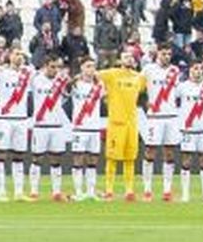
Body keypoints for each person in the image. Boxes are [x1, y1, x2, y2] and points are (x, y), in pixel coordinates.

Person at [97, 51, 146, 201]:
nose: (129, 59)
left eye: (131, 57)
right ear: (120, 60)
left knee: (130, 157)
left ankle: (129, 190)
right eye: (126, 57)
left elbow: (144, 90)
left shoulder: (139, 77)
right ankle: (109, 189)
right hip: (116, 122)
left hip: (132, 122)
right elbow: (94, 75)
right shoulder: (112, 74)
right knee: (112, 157)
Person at [0, 47, 33, 202]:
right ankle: (1, 192)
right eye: (16, 53)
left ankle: (19, 192)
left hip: (21, 119)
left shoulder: (29, 72)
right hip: (4, 119)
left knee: (19, 156)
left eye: (21, 54)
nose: (19, 56)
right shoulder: (1, 72)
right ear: (9, 56)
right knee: (0, 155)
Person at [140, 45, 183, 201]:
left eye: (169, 54)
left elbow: (178, 93)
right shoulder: (148, 69)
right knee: (150, 151)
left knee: (169, 153)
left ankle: (167, 190)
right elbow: (139, 88)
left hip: (171, 116)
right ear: (158, 54)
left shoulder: (175, 71)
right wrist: (145, 102)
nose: (166, 56)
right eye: (164, 53)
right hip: (155, 117)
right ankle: (147, 189)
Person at [25, 57, 72, 201]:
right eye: (52, 67)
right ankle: (34, 191)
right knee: (37, 158)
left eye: (57, 67)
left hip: (57, 125)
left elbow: (69, 93)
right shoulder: (35, 79)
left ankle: (56, 192)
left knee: (56, 159)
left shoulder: (61, 81)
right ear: (45, 66)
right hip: (40, 125)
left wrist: (68, 82)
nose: (55, 70)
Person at [67, 58, 108, 201]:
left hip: (94, 127)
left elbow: (105, 98)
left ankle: (91, 192)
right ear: (82, 68)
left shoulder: (99, 86)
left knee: (93, 160)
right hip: (79, 127)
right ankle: (78, 192)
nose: (91, 69)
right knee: (78, 159)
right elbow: (64, 91)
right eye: (88, 66)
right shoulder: (74, 85)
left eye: (93, 66)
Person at [177, 62, 203, 202]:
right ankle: (185, 194)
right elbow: (171, 100)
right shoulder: (182, 87)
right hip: (188, 129)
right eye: (195, 69)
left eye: (200, 69)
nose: (198, 71)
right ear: (190, 71)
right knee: (186, 161)